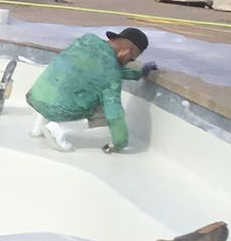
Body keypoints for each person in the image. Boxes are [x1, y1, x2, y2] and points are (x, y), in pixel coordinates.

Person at [26, 27, 157, 153]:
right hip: (58, 110)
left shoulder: (87, 40)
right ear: (126, 52)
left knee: (63, 85)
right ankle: (58, 129)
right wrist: (119, 143)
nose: (128, 62)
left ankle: (38, 127)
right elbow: (114, 115)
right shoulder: (111, 74)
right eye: (131, 59)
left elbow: (102, 69)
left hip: (36, 96)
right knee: (104, 111)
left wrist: (139, 73)